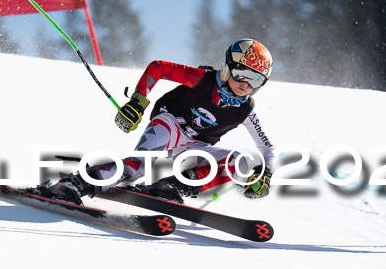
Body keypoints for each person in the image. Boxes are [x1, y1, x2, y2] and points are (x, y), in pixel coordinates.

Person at [45, 38, 276, 205]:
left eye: (256, 79)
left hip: (192, 145)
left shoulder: (245, 110)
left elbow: (267, 148)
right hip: (170, 123)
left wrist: (266, 173)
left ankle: (172, 187)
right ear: (228, 67)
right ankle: (75, 184)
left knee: (242, 161)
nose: (246, 84)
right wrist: (138, 101)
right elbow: (159, 68)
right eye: (242, 74)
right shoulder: (203, 80)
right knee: (140, 166)